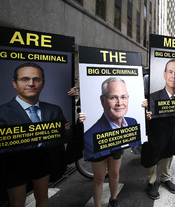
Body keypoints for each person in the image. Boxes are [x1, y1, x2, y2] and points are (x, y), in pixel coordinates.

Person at [0, 62, 69, 207]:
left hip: (42, 159)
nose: (31, 83)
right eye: (25, 79)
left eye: (36, 79)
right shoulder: (2, 112)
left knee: (42, 196)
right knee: (17, 203)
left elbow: (65, 133)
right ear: (14, 82)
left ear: (43, 83)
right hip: (14, 163)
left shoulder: (54, 110)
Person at [83, 77, 140, 207]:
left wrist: (145, 110)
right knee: (99, 178)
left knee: (114, 173)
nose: (120, 103)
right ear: (102, 100)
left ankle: (113, 199)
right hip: (99, 145)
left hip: (117, 146)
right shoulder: (91, 135)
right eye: (113, 97)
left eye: (123, 97)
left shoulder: (132, 123)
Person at [142, 59, 175, 200]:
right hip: (155, 129)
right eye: (170, 72)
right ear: (164, 74)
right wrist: (145, 112)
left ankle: (165, 178)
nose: (173, 76)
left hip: (171, 128)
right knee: (152, 154)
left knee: (168, 153)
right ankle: (151, 183)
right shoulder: (152, 96)